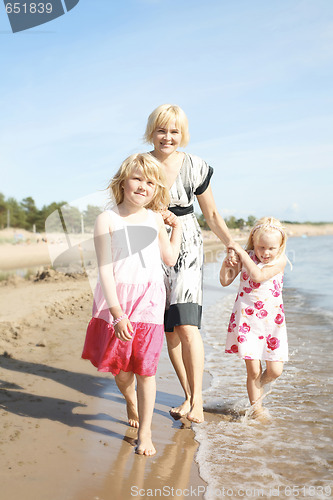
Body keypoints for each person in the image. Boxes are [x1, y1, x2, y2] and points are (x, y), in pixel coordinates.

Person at [82, 153, 182, 456]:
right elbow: (104, 270)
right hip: (118, 303)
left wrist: (176, 227)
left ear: (156, 189)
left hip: (150, 302)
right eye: (138, 178)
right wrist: (117, 313)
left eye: (151, 182)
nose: (143, 186)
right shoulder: (107, 219)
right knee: (121, 370)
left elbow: (169, 258)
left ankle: (146, 433)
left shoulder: (154, 218)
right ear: (123, 181)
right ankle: (129, 399)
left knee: (146, 369)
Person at [144, 104, 237, 423]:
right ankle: (187, 396)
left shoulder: (196, 166)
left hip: (187, 244)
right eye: (161, 130)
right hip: (151, 242)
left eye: (173, 131)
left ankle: (197, 401)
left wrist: (231, 244)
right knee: (170, 331)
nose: (167, 137)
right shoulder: (142, 165)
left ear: (182, 134)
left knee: (186, 323)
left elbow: (211, 214)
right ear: (151, 132)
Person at [220, 217, 289, 418]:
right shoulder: (246, 257)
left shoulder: (280, 259)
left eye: (271, 248)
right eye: (261, 247)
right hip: (247, 321)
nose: (266, 253)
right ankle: (257, 411)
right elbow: (225, 281)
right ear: (254, 242)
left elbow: (258, 276)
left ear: (280, 246)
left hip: (272, 323)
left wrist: (241, 253)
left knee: (275, 370)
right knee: (253, 371)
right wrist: (227, 264)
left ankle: (257, 386)